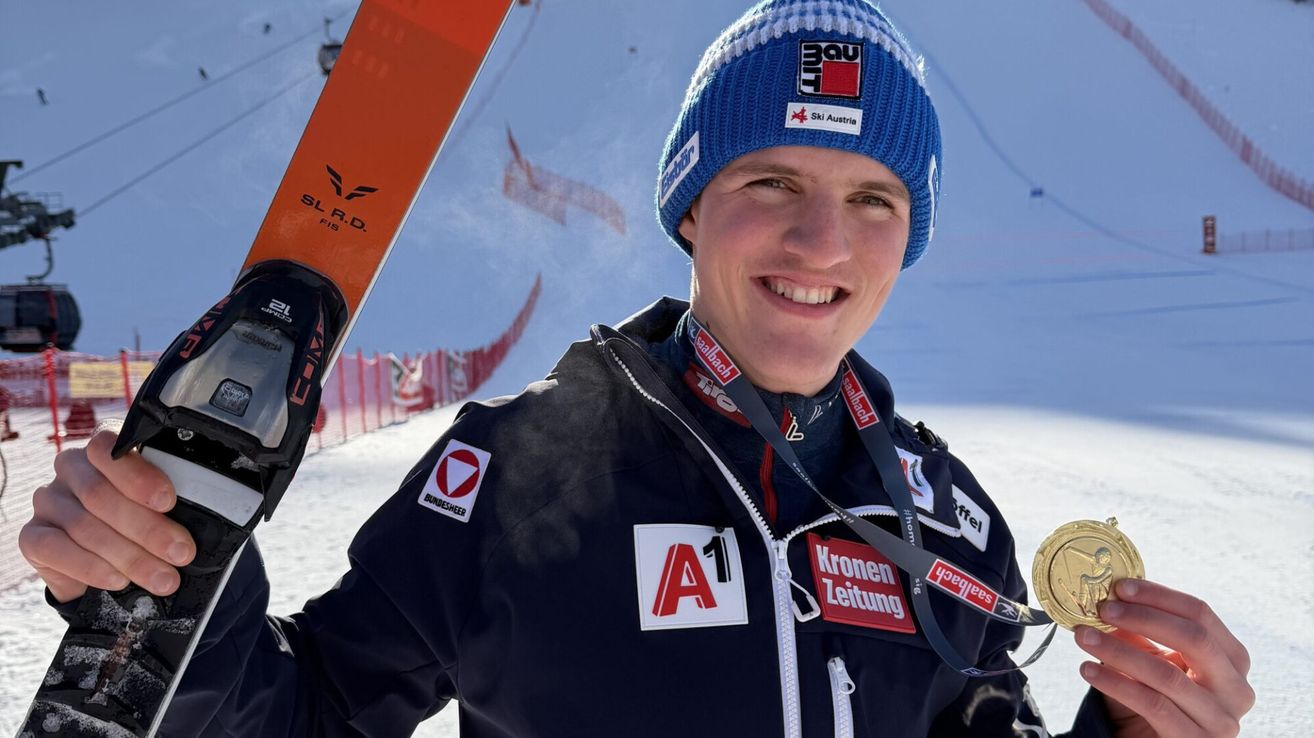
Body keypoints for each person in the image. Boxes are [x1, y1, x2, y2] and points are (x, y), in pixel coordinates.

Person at [20, 1, 1254, 735]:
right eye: (769, 181)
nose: (822, 244)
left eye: (873, 199)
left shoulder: (945, 520)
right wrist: (171, 595)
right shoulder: (508, 475)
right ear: (690, 210)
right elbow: (313, 720)